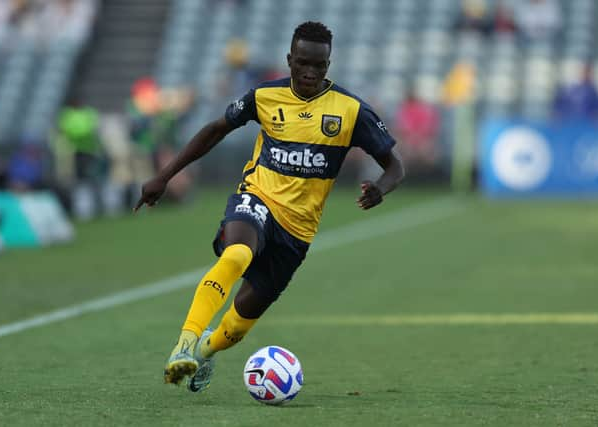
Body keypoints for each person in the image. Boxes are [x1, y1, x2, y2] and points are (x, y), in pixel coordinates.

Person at [134, 21, 405, 392]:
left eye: (319, 66)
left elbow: (395, 165)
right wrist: (164, 176)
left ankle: (204, 350)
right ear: (289, 59)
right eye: (302, 63)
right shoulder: (264, 96)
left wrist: (381, 188)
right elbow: (215, 129)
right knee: (236, 255)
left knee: (238, 326)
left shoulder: (350, 110)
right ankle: (183, 343)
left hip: (298, 231)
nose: (310, 72)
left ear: (329, 64)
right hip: (258, 198)